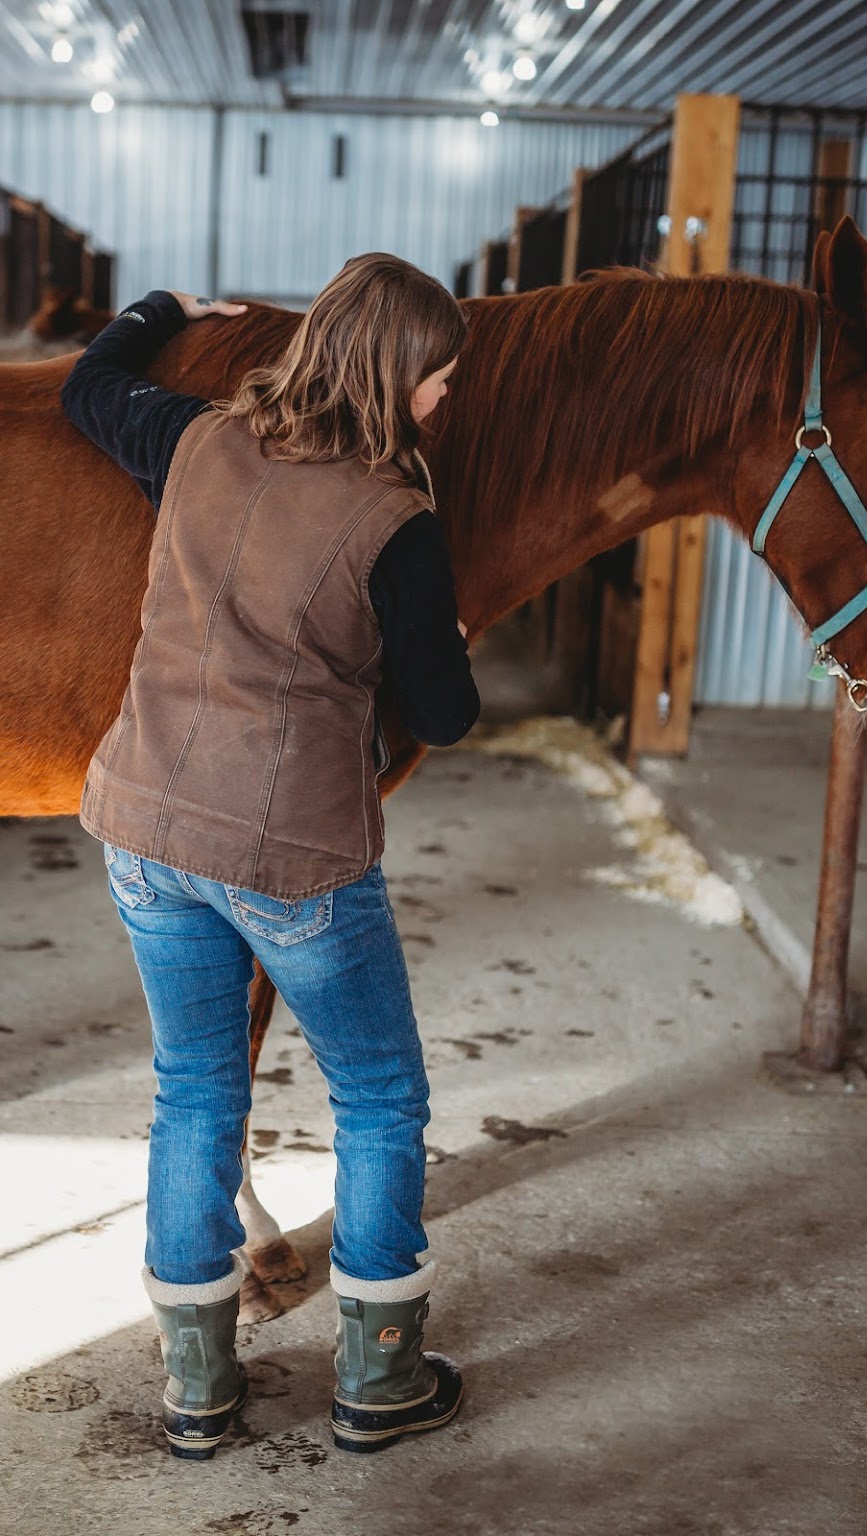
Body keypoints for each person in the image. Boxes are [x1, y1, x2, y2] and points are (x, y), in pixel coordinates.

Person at [60, 254, 480, 1460]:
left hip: (143, 829)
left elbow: (92, 383)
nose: (444, 402)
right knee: (381, 1095)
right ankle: (380, 1381)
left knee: (193, 1087)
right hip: (293, 857)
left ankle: (196, 1393)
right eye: (438, 380)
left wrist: (160, 313)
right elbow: (443, 715)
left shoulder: (192, 439)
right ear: (397, 376)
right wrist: (434, 638)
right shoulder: (398, 520)